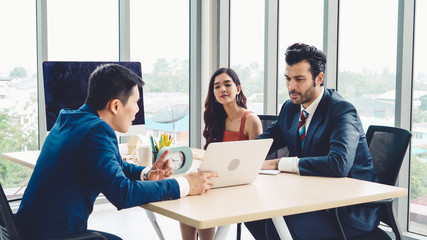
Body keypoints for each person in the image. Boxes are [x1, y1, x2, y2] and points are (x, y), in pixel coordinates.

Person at [15, 64, 218, 240]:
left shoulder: (70, 120)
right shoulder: (97, 130)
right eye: (135, 102)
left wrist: (146, 173)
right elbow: (123, 194)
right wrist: (185, 184)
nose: (138, 109)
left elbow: (112, 164)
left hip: (28, 231)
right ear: (115, 105)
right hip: (55, 236)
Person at [244, 43, 379, 240]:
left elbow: (338, 164)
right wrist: (233, 156)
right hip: (311, 197)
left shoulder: (341, 110)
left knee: (279, 227)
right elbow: (266, 141)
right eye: (288, 79)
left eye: (299, 79)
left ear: (319, 78)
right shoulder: (290, 109)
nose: (291, 87)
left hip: (347, 210)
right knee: (252, 213)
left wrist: (277, 163)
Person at [179, 68, 263, 240]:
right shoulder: (216, 119)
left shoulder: (250, 120)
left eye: (227, 84)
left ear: (238, 89)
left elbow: (257, 161)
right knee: (188, 193)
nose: (222, 90)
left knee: (201, 196)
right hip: (218, 179)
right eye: (217, 87)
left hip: (240, 184)